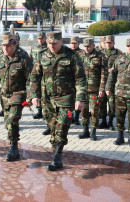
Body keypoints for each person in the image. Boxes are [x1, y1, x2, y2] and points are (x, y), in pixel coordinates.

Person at [30, 31, 87, 171]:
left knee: (62, 127)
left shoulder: (72, 56)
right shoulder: (43, 55)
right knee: (53, 128)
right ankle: (56, 153)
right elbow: (35, 76)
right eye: (49, 43)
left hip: (66, 99)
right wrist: (34, 95)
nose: (52, 46)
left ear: (61, 41)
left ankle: (57, 156)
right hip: (48, 100)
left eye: (54, 43)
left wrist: (80, 98)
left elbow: (80, 78)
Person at [0, 32, 33, 161]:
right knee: (8, 123)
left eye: (8, 46)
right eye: (4, 46)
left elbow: (30, 79)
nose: (6, 49)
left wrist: (30, 97)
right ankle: (13, 144)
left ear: (15, 44)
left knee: (13, 119)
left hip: (18, 94)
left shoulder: (24, 58)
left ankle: (13, 147)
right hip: (4, 96)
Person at [77, 38, 107, 141]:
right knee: (84, 111)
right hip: (83, 90)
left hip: (95, 89)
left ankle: (93, 131)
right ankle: (85, 130)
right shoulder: (80, 55)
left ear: (93, 45)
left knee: (94, 111)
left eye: (89, 46)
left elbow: (104, 74)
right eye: (85, 46)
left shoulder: (100, 56)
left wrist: (102, 89)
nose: (87, 48)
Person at [98, 35, 123, 131]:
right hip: (101, 82)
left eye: (110, 42)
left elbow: (122, 67)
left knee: (112, 103)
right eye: (106, 42)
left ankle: (110, 121)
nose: (108, 44)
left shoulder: (119, 53)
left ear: (113, 43)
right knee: (102, 103)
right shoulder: (100, 53)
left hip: (113, 83)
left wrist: (113, 70)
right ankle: (103, 120)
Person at [29, 32, 48, 130]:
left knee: (44, 93)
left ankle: (45, 112)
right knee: (37, 92)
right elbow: (30, 59)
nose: (40, 40)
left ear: (45, 38)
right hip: (36, 73)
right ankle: (39, 111)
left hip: (45, 72)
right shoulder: (34, 47)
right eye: (39, 38)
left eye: (42, 38)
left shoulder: (48, 47)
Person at [69, 36, 83, 125]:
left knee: (78, 98)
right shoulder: (67, 52)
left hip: (78, 79)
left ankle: (77, 117)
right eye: (72, 43)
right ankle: (71, 117)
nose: (73, 45)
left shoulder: (82, 53)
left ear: (78, 43)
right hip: (69, 80)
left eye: (75, 43)